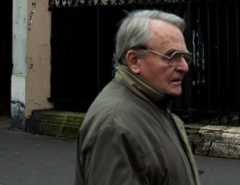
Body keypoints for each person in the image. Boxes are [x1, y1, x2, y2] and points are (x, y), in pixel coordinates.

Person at [75, 10, 200, 185]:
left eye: (185, 57)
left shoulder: (153, 104)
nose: (184, 67)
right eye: (172, 56)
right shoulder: (115, 126)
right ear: (134, 60)